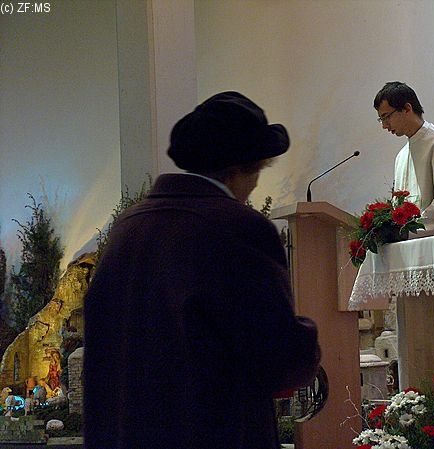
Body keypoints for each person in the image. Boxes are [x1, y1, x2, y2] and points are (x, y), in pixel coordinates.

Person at [83, 91, 321, 449]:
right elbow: (279, 358)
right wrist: (308, 334)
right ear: (242, 168)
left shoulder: (127, 228)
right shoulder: (239, 228)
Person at [374, 81, 434, 236]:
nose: (384, 125)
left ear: (407, 108)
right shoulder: (401, 156)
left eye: (387, 117)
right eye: (381, 119)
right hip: (409, 245)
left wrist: (406, 232)